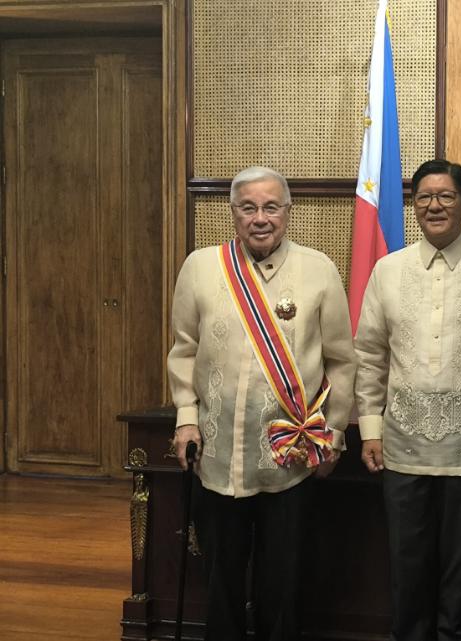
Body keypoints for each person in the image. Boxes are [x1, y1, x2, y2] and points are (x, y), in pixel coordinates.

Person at [167, 166, 356, 641]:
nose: (260, 218)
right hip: (217, 455)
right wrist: (186, 419)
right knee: (221, 579)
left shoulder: (319, 270)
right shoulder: (201, 266)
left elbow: (342, 360)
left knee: (284, 582)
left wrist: (332, 435)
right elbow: (182, 349)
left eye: (271, 206)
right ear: (232, 213)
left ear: (288, 212)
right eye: (248, 207)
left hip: (289, 460)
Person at [354, 159, 461, 641]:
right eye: (424, 197)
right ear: (414, 207)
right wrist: (369, 427)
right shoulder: (387, 271)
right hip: (401, 448)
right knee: (406, 568)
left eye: (446, 196)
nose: (434, 205)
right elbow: (369, 357)